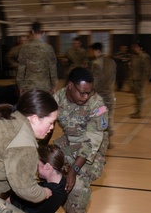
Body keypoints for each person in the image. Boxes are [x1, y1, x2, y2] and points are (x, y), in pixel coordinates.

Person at [53, 67, 109, 213]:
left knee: (77, 186)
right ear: (70, 86)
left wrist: (73, 170)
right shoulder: (57, 99)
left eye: (88, 92)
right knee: (48, 166)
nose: (86, 97)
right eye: (82, 92)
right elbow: (45, 123)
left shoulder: (97, 105)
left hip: (93, 150)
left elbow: (91, 142)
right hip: (69, 142)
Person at [9, 144, 68, 213]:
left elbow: (17, 201)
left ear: (47, 167)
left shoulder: (44, 193)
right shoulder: (64, 182)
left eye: (37, 165)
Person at [17, 21, 58, 95]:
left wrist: (20, 86)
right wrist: (54, 86)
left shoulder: (24, 47)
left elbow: (21, 68)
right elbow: (52, 68)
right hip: (45, 86)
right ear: (42, 32)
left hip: (29, 86)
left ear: (32, 31)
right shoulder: (48, 48)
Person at [89, 42, 116, 149]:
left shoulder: (95, 64)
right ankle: (109, 141)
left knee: (100, 118)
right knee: (109, 117)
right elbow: (114, 78)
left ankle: (102, 142)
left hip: (100, 97)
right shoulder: (112, 62)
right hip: (110, 94)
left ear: (96, 50)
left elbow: (94, 82)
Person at [129, 42, 151, 119]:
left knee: (140, 97)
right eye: (135, 47)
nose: (136, 49)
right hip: (135, 79)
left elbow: (147, 69)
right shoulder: (135, 57)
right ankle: (137, 111)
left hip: (140, 80)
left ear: (141, 48)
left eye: (137, 47)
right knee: (136, 97)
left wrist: (145, 79)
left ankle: (139, 112)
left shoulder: (144, 57)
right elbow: (133, 68)